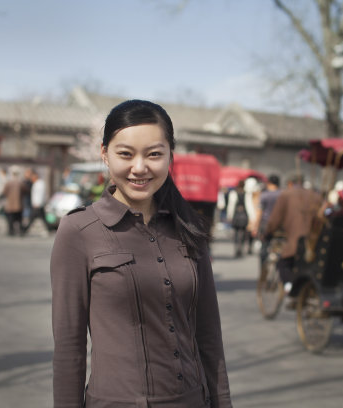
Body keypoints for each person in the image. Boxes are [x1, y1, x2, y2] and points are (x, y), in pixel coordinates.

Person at [50, 99, 232, 408]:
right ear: (105, 155)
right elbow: (70, 348)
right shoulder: (79, 232)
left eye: (154, 154)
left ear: (170, 157)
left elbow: (209, 336)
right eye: (125, 154)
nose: (139, 167)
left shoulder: (189, 228)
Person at [264, 173, 322, 292]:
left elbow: (275, 219)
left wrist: (268, 232)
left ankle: (289, 287)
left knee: (282, 263)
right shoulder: (316, 196)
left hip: (297, 241)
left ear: (290, 183)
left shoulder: (286, 194)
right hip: (315, 241)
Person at [253, 174, 281, 263]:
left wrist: (256, 226)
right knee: (279, 247)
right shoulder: (282, 194)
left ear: (269, 183)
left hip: (265, 224)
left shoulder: (264, 195)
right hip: (279, 225)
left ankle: (263, 270)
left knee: (264, 246)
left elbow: (259, 212)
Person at [226, 180, 250, 258]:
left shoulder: (233, 193)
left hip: (236, 215)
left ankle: (237, 248)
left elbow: (231, 206)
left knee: (236, 233)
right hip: (244, 215)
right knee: (243, 232)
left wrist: (229, 216)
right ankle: (241, 248)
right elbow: (249, 206)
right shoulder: (246, 194)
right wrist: (251, 217)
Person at [21, 168, 49, 236]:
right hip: (36, 204)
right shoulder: (36, 183)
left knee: (32, 218)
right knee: (42, 218)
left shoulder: (40, 183)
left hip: (38, 204)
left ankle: (25, 229)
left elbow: (40, 194)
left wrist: (37, 203)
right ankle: (49, 228)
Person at [2, 166, 25, 236]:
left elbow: (4, 192)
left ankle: (10, 231)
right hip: (18, 204)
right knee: (19, 219)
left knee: (10, 219)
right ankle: (20, 231)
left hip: (10, 204)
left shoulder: (9, 183)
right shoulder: (20, 182)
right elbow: (25, 191)